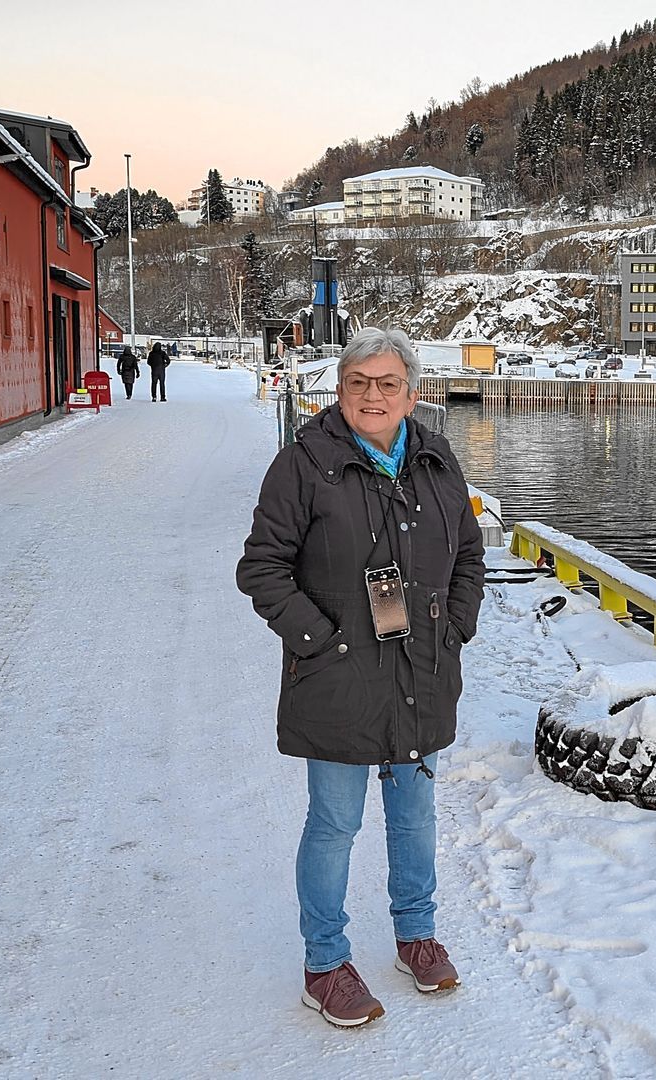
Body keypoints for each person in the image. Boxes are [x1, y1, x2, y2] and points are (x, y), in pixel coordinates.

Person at [236, 326, 485, 1029]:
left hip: (422, 669)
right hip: (341, 675)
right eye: (358, 383)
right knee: (336, 821)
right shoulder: (304, 465)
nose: (372, 396)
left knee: (414, 815)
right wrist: (323, 640)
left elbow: (469, 556)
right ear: (340, 389)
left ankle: (415, 935)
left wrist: (456, 626)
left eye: (387, 384)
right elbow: (261, 568)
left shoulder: (436, 460)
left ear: (412, 393)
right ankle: (325, 964)